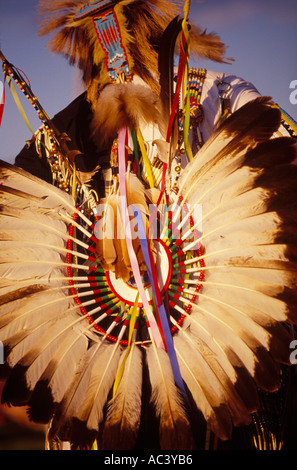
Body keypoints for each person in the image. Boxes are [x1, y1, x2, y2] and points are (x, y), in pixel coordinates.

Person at [2, 0, 297, 451]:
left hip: (232, 353)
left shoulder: (214, 97)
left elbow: (282, 189)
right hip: (109, 377)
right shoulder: (62, 137)